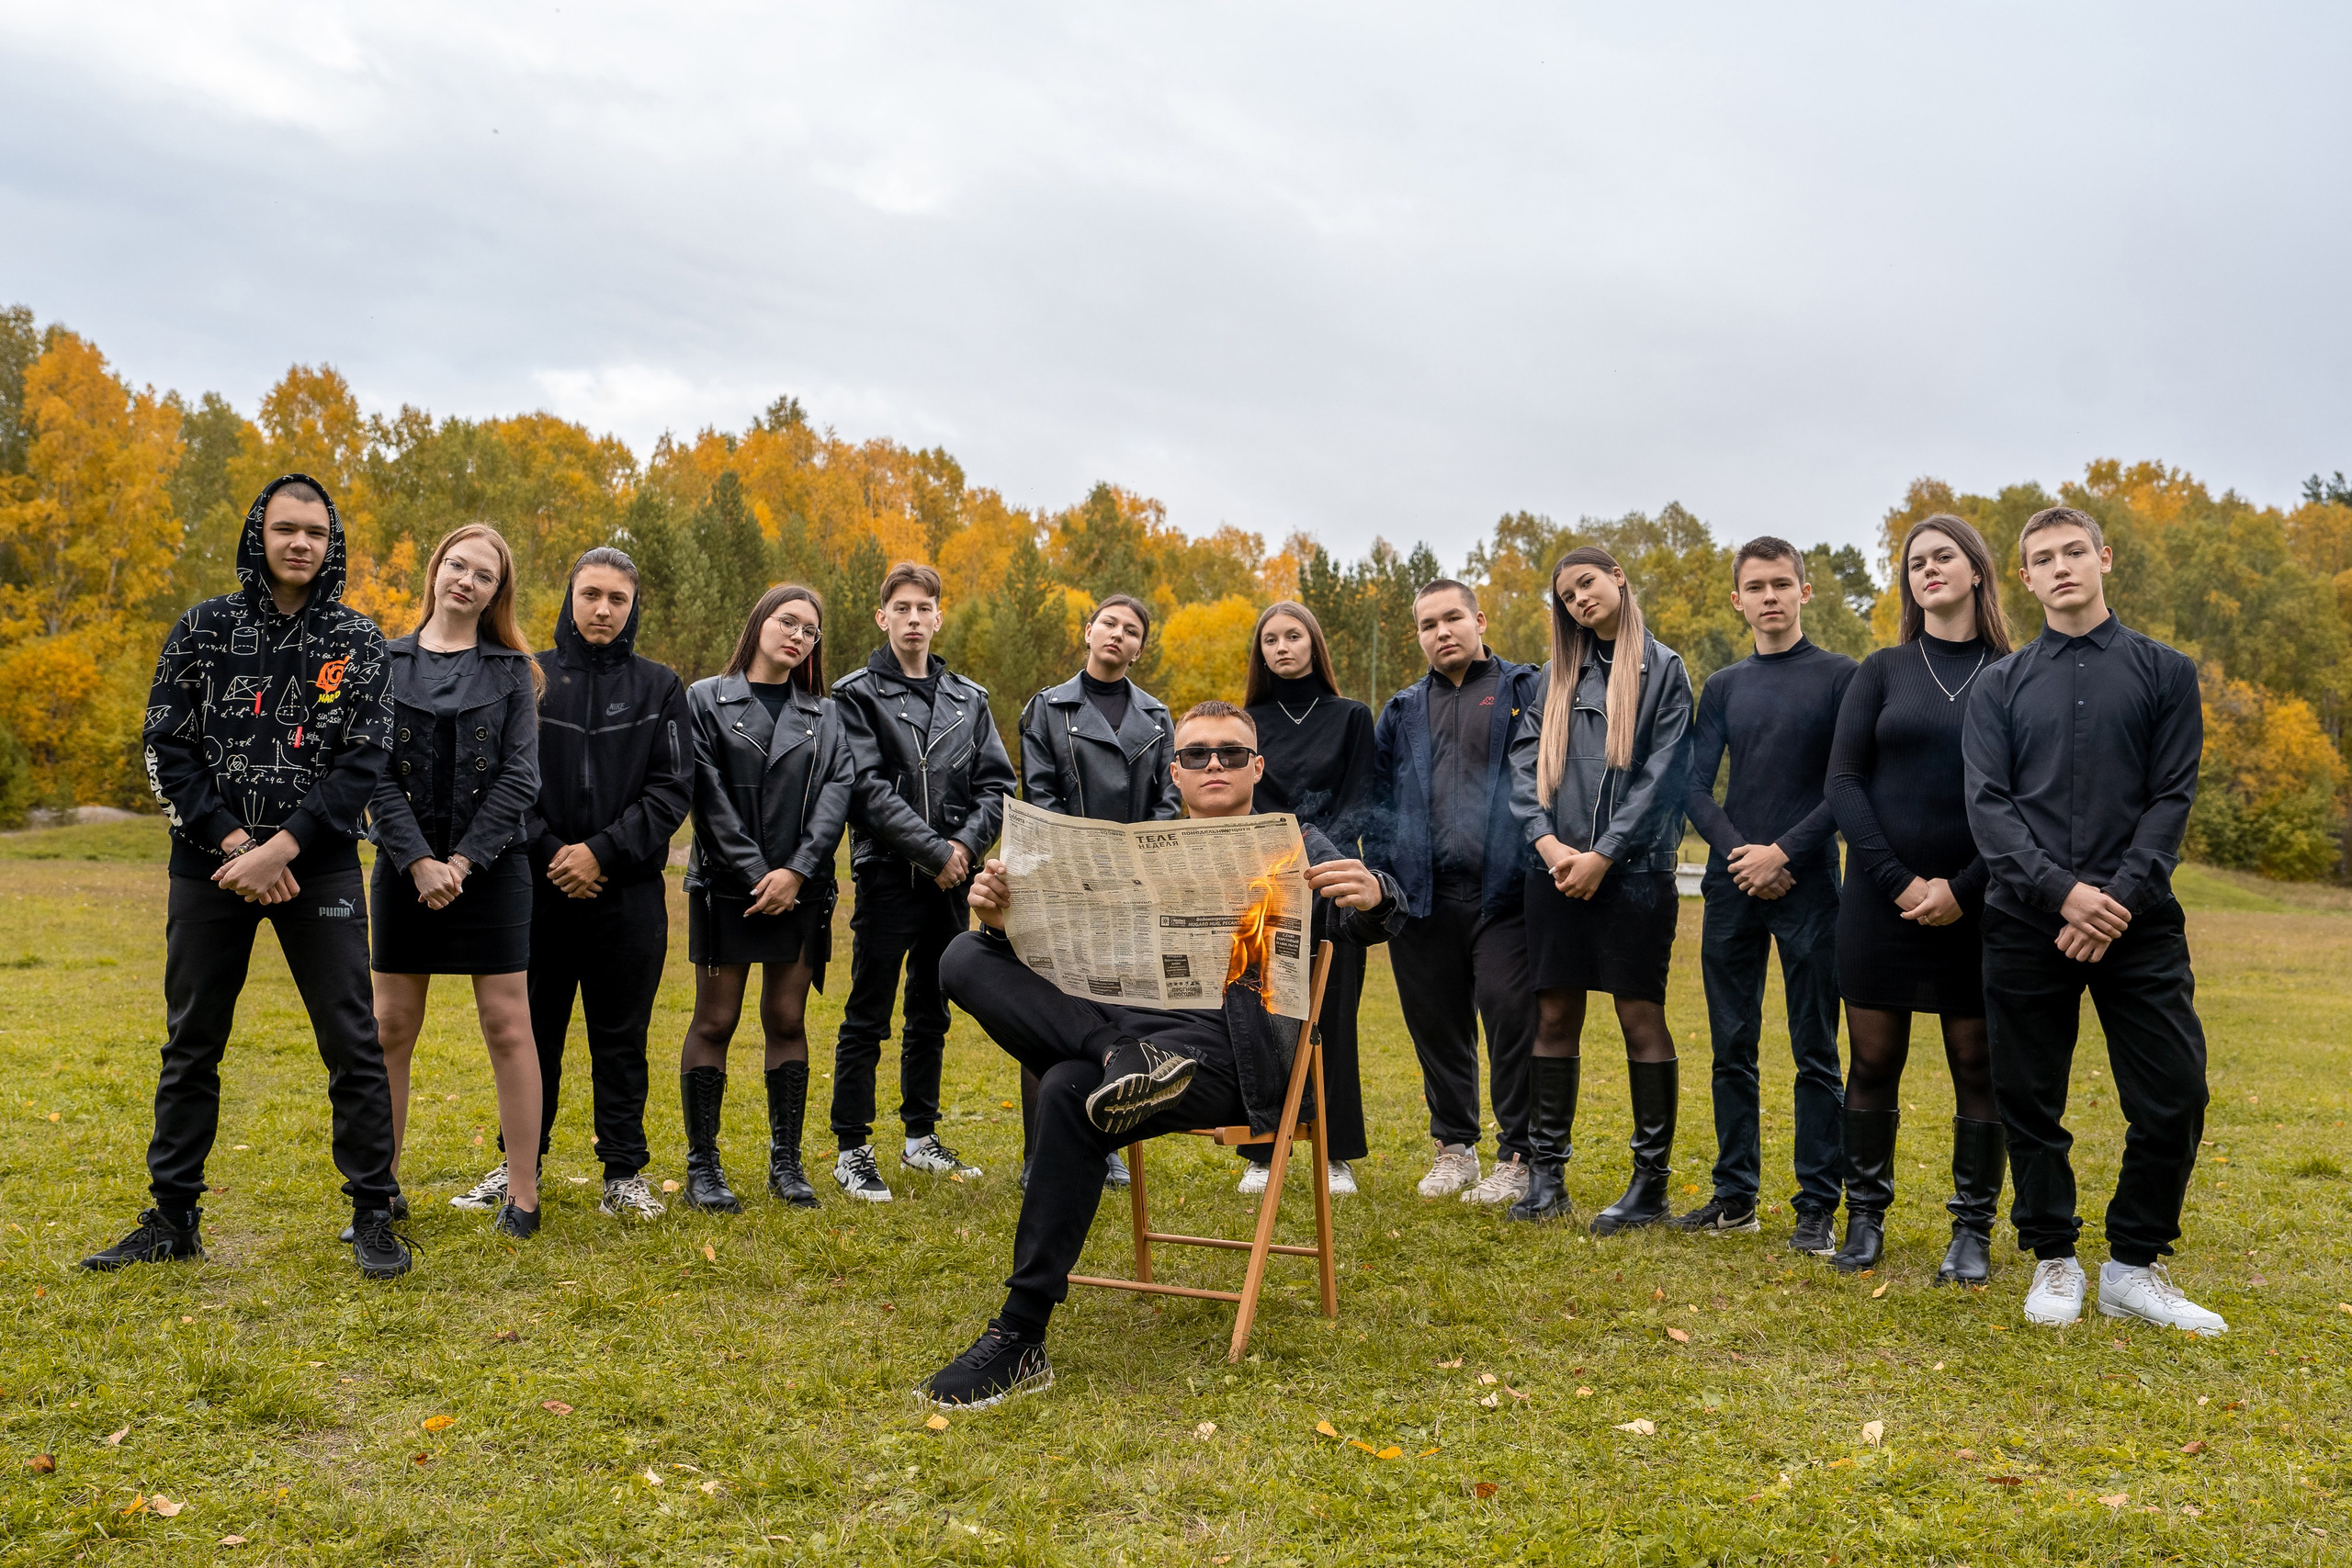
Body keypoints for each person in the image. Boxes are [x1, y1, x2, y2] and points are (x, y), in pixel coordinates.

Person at [917, 701, 1405, 1407]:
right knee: (965, 955)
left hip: (1224, 1062)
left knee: (1065, 1089)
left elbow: (1368, 920)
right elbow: (1054, 953)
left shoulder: (1294, 846)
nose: (1214, 764)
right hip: (1122, 1042)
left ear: (1257, 767)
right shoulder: (1132, 851)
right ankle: (1117, 1055)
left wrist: (1379, 894)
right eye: (1197, 754)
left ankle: (1019, 1331)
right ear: (1175, 772)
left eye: (1231, 753)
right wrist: (1000, 921)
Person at [87, 474, 413, 1280]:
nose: (301, 542)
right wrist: (239, 844)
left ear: (332, 543)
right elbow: (167, 746)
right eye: (286, 528)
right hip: (211, 866)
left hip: (320, 866)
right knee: (192, 1040)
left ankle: (374, 1214)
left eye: (316, 531)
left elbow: (365, 761)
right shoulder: (200, 629)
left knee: (352, 1040)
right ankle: (173, 1217)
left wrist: (284, 848)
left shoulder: (359, 641)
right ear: (258, 534)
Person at [1963, 506, 2223, 1335]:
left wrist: (2111, 903)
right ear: (2026, 578)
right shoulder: (1999, 685)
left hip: (2138, 920)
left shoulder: (2166, 672)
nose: (2062, 566)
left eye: (2075, 550)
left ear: (2104, 558)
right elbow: (1989, 806)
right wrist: (2062, 894)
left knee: (2176, 1092)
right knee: (2028, 1096)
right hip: (2025, 920)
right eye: (2044, 558)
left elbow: (2170, 797)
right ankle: (2054, 1256)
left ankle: (2132, 1268)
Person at [1822, 514, 2011, 1278]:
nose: (1928, 569)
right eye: (1915, 562)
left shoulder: (2014, 672)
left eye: (1943, 556)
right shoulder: (1882, 670)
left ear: (1977, 570)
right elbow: (1843, 782)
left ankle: (1971, 1231)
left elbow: (2028, 799)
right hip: (1879, 902)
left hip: (1982, 902)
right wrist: (1899, 881)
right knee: (1871, 1060)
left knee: (1978, 1062)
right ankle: (1864, 1219)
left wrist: (1963, 888)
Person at [1670, 540, 1857, 1248]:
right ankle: (1734, 1197)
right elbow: (1693, 785)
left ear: (1805, 591)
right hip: (1732, 884)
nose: (1770, 595)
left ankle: (1817, 1207)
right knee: (1732, 1046)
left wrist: (1783, 852)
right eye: (1756, 586)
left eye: (1782, 583)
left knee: (1816, 1049)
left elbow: (1846, 785)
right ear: (1737, 600)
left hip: (1810, 883)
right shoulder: (1724, 686)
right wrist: (1742, 853)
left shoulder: (1840, 677)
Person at [1505, 546, 1694, 1231]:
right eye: (1567, 595)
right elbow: (1523, 768)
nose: (1579, 599)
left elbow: (1664, 775)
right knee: (1554, 1016)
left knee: (1640, 1018)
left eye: (1586, 583)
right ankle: (1547, 1177)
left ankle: (1650, 1187)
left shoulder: (1665, 669)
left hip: (1636, 875)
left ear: (1617, 577)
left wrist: (1604, 855)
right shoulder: (1554, 675)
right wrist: (1551, 846)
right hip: (1554, 873)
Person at [369, 524, 546, 1240]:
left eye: (483, 574)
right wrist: (418, 861)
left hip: (493, 869)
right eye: (456, 565)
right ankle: (378, 1190)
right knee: (389, 1028)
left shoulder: (513, 671)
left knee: (508, 1025)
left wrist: (463, 862)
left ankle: (523, 1195)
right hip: (401, 867)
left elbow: (521, 776)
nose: (465, 580)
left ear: (497, 592)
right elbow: (369, 769)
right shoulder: (383, 661)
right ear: (436, 570)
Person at [830, 562, 1017, 1201]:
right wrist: (932, 849)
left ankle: (919, 1138)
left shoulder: (970, 699)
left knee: (931, 1009)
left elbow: (997, 785)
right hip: (887, 873)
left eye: (924, 608)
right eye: (902, 607)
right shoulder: (855, 694)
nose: (913, 618)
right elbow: (864, 787)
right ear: (882, 617)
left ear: (939, 617)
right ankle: (851, 1149)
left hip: (952, 880)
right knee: (868, 1012)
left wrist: (961, 848)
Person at [518, 547, 692, 1222]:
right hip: (538, 891)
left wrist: (601, 853)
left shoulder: (661, 687)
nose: (602, 609)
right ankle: (519, 1166)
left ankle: (622, 1173)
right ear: (570, 597)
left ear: (632, 607)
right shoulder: (527, 675)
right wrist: (554, 853)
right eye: (591, 594)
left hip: (627, 896)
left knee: (622, 1039)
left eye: (617, 598)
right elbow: (507, 779)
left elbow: (671, 790)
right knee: (532, 1036)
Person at [675, 584, 855, 1211]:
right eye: (788, 621)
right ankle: (703, 1166)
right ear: (759, 622)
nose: (798, 636)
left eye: (810, 630)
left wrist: (797, 873)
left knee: (786, 1018)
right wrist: (759, 874)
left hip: (802, 889)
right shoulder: (704, 699)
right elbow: (705, 795)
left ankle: (787, 1162)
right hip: (727, 886)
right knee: (715, 1020)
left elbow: (837, 794)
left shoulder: (826, 714)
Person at [1364, 579, 1544, 1207]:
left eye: (1452, 618)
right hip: (1421, 897)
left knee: (1510, 1018)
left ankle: (1519, 1156)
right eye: (1427, 624)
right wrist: (1385, 881)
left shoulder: (1526, 689)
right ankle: (1454, 1148)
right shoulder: (1402, 710)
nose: (1441, 632)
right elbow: (1379, 803)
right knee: (1436, 1027)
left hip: (1505, 895)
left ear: (1479, 620)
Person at [1014, 592, 1181, 1190]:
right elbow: (1040, 795)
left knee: (1113, 1020)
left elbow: (1168, 803)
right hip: (1061, 884)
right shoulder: (1046, 708)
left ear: (1140, 648)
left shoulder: (1158, 717)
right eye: (1108, 622)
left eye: (1131, 629)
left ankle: (1103, 1146)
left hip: (1132, 891)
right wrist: (1083, 864)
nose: (1117, 633)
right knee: (1048, 1021)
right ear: (1088, 631)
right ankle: (1039, 1153)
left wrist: (1132, 869)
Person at [1237, 600, 1375, 1195]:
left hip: (1330, 881)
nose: (1282, 647)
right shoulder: (1247, 721)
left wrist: (1318, 861)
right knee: (1260, 1017)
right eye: (1271, 640)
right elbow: (1239, 801)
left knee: (1332, 1017)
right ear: (1261, 653)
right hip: (1261, 887)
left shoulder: (1351, 717)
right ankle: (1262, 1150)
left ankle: (1333, 1152)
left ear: (1314, 643)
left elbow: (1360, 801)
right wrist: (1276, 864)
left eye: (1293, 636)